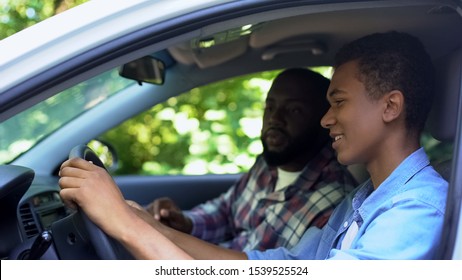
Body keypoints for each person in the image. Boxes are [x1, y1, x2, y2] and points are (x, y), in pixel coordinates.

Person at [58, 31, 448, 260]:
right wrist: (143, 222)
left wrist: (123, 225)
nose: (326, 119)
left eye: (338, 102)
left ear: (390, 106)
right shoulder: (363, 201)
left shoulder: (416, 210)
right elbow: (270, 265)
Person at [145, 68, 357, 251]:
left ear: (325, 121)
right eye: (270, 107)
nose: (275, 118)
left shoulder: (334, 203)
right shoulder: (269, 163)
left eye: (294, 110)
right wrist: (186, 223)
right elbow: (227, 210)